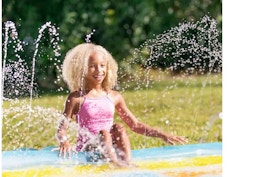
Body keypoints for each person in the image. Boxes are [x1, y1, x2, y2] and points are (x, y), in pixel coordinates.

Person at [52, 43, 188, 167]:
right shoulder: (77, 98)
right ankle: (116, 164)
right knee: (105, 132)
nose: (98, 70)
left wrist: (162, 134)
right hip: (88, 149)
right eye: (92, 66)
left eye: (102, 65)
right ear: (82, 69)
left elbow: (135, 125)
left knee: (119, 127)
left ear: (107, 67)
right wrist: (64, 141)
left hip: (110, 146)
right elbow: (61, 129)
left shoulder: (114, 96)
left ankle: (127, 163)